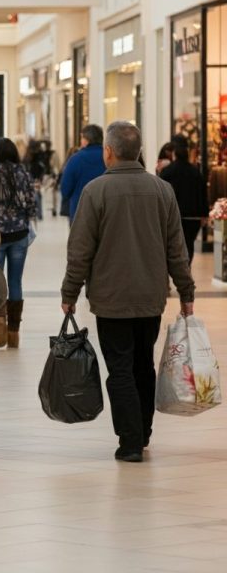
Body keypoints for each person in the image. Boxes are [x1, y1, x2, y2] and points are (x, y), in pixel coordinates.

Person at [60, 121, 195, 463]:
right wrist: (186, 291)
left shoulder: (95, 192)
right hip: (150, 297)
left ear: (108, 151)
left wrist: (70, 292)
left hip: (110, 299)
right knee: (142, 365)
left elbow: (80, 250)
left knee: (119, 367)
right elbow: (176, 248)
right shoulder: (162, 190)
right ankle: (143, 431)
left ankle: (130, 440)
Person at [0, 137, 37, 349]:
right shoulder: (23, 173)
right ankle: (14, 332)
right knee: (15, 282)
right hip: (19, 234)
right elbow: (31, 202)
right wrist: (26, 218)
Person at [159, 139, 209, 263]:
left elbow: (161, 194)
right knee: (189, 244)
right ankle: (186, 267)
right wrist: (204, 214)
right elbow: (203, 193)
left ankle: (176, 270)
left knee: (173, 245)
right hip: (193, 217)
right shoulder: (195, 172)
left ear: (174, 154)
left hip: (173, 215)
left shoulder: (167, 172)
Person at [59, 124, 106, 224]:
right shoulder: (109, 157)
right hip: (105, 211)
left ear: (86, 140)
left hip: (79, 212)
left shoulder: (75, 159)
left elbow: (65, 189)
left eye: (81, 137)